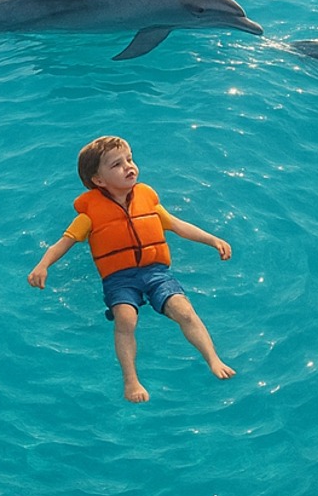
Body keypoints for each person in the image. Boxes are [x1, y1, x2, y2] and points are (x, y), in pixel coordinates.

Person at [28, 135, 236, 403]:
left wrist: (212, 239)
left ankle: (213, 359)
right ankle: (131, 380)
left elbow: (178, 225)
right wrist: (43, 265)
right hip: (120, 278)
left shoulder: (147, 200)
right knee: (126, 319)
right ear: (99, 180)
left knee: (184, 310)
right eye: (116, 164)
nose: (129, 166)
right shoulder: (89, 215)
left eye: (129, 159)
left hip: (156, 271)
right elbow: (62, 243)